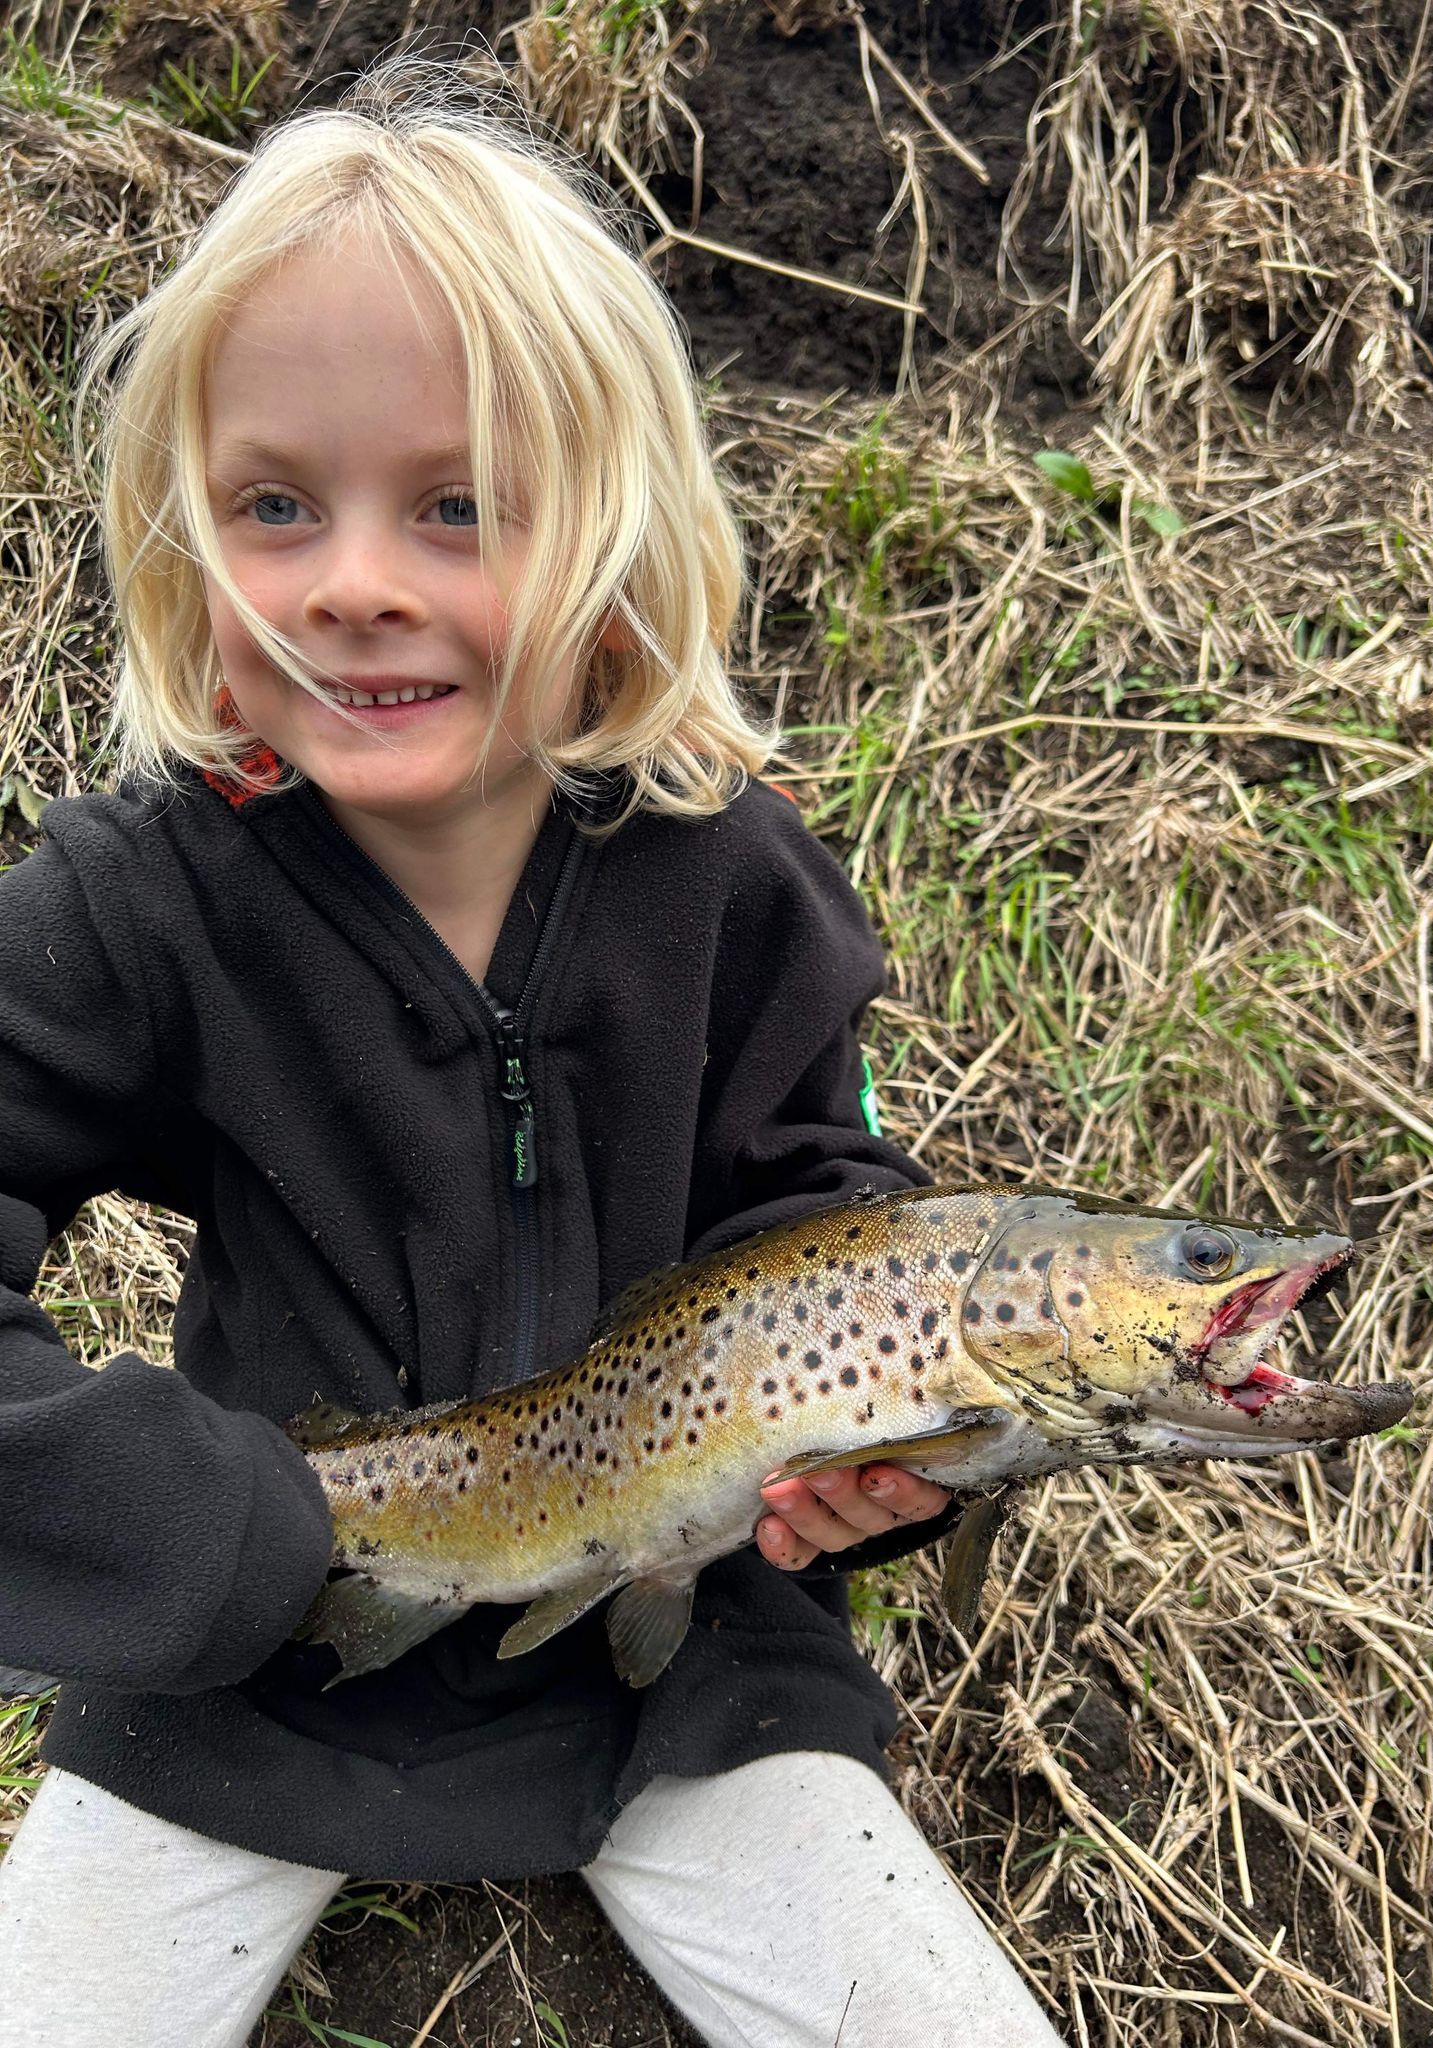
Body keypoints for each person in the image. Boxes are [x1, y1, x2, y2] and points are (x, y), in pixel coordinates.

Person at [0, 54, 1066, 2048]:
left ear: (617, 540)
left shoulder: (738, 884)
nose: (356, 580)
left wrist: (885, 1470)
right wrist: (206, 1526)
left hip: (692, 1678)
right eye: (274, 505)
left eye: (461, 505)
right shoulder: (144, 903)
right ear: (189, 544)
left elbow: (833, 1214)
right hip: (251, 1678)